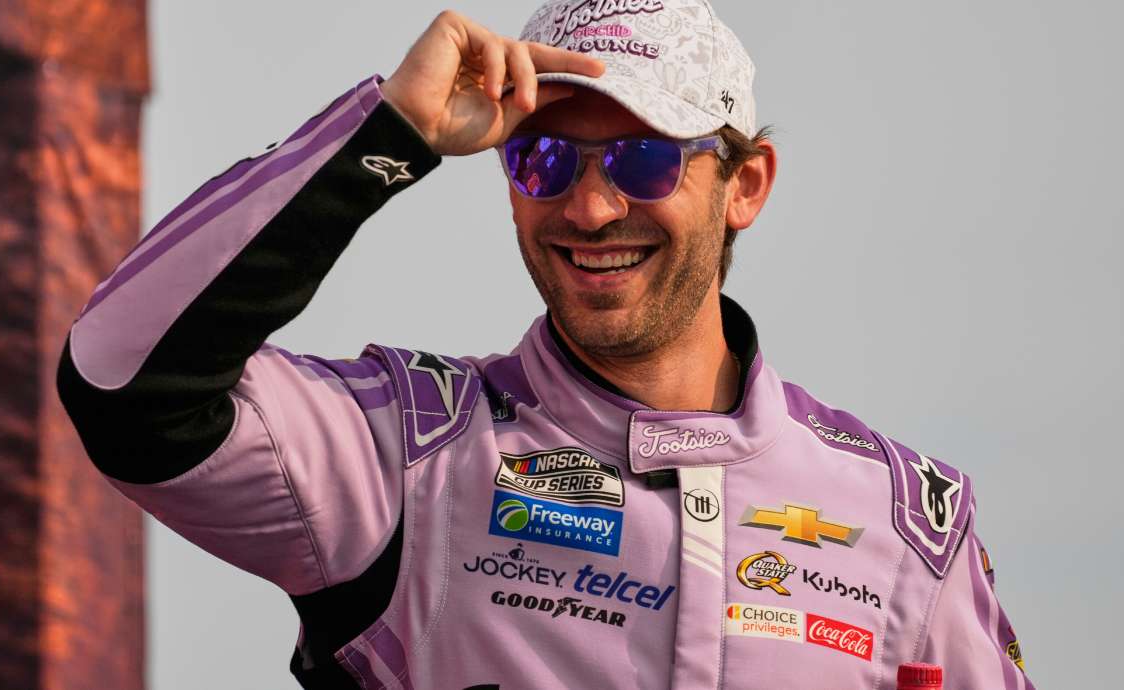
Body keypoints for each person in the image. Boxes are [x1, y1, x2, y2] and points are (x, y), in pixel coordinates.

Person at [57, 1, 1034, 688]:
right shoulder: (405, 456)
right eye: (546, 158)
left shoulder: (906, 522)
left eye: (648, 158)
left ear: (745, 185)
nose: (593, 206)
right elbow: (122, 381)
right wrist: (386, 134)